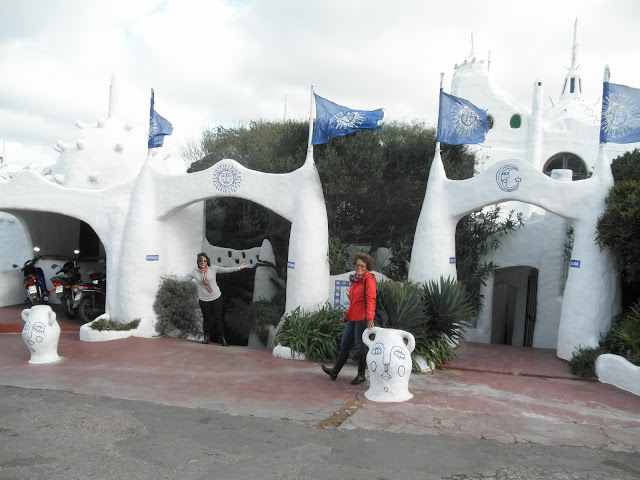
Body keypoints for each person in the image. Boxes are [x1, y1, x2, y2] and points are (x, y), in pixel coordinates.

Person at [161, 252, 247, 346]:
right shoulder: (195, 272)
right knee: (207, 319)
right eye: (200, 260)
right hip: (204, 299)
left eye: (204, 260)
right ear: (198, 262)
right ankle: (206, 338)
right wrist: (169, 278)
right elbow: (183, 279)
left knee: (219, 318)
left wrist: (239, 268)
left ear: (207, 261)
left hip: (216, 297)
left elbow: (226, 270)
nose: (202, 262)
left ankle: (223, 339)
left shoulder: (213, 268)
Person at [322, 252, 376, 385]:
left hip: (362, 319)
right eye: (357, 265)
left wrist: (370, 318)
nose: (359, 268)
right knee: (344, 344)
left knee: (360, 347)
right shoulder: (355, 281)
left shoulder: (368, 281)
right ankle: (334, 371)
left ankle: (361, 375)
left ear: (367, 267)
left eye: (362, 266)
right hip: (352, 319)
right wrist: (347, 316)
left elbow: (371, 300)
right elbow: (353, 302)